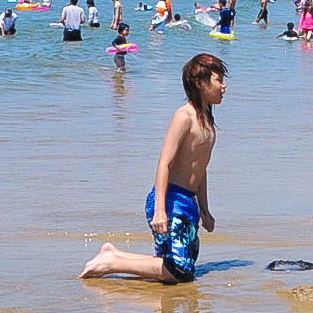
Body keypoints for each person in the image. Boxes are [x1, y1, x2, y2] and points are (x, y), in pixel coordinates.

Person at [81, 53, 226, 282]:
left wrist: (205, 209)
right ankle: (112, 263)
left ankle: (113, 254)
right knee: (179, 271)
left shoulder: (206, 120)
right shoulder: (184, 116)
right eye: (219, 80)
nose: (224, 86)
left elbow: (201, 168)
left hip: (189, 202)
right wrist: (160, 209)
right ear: (200, 83)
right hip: (169, 200)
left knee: (183, 265)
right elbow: (164, 164)